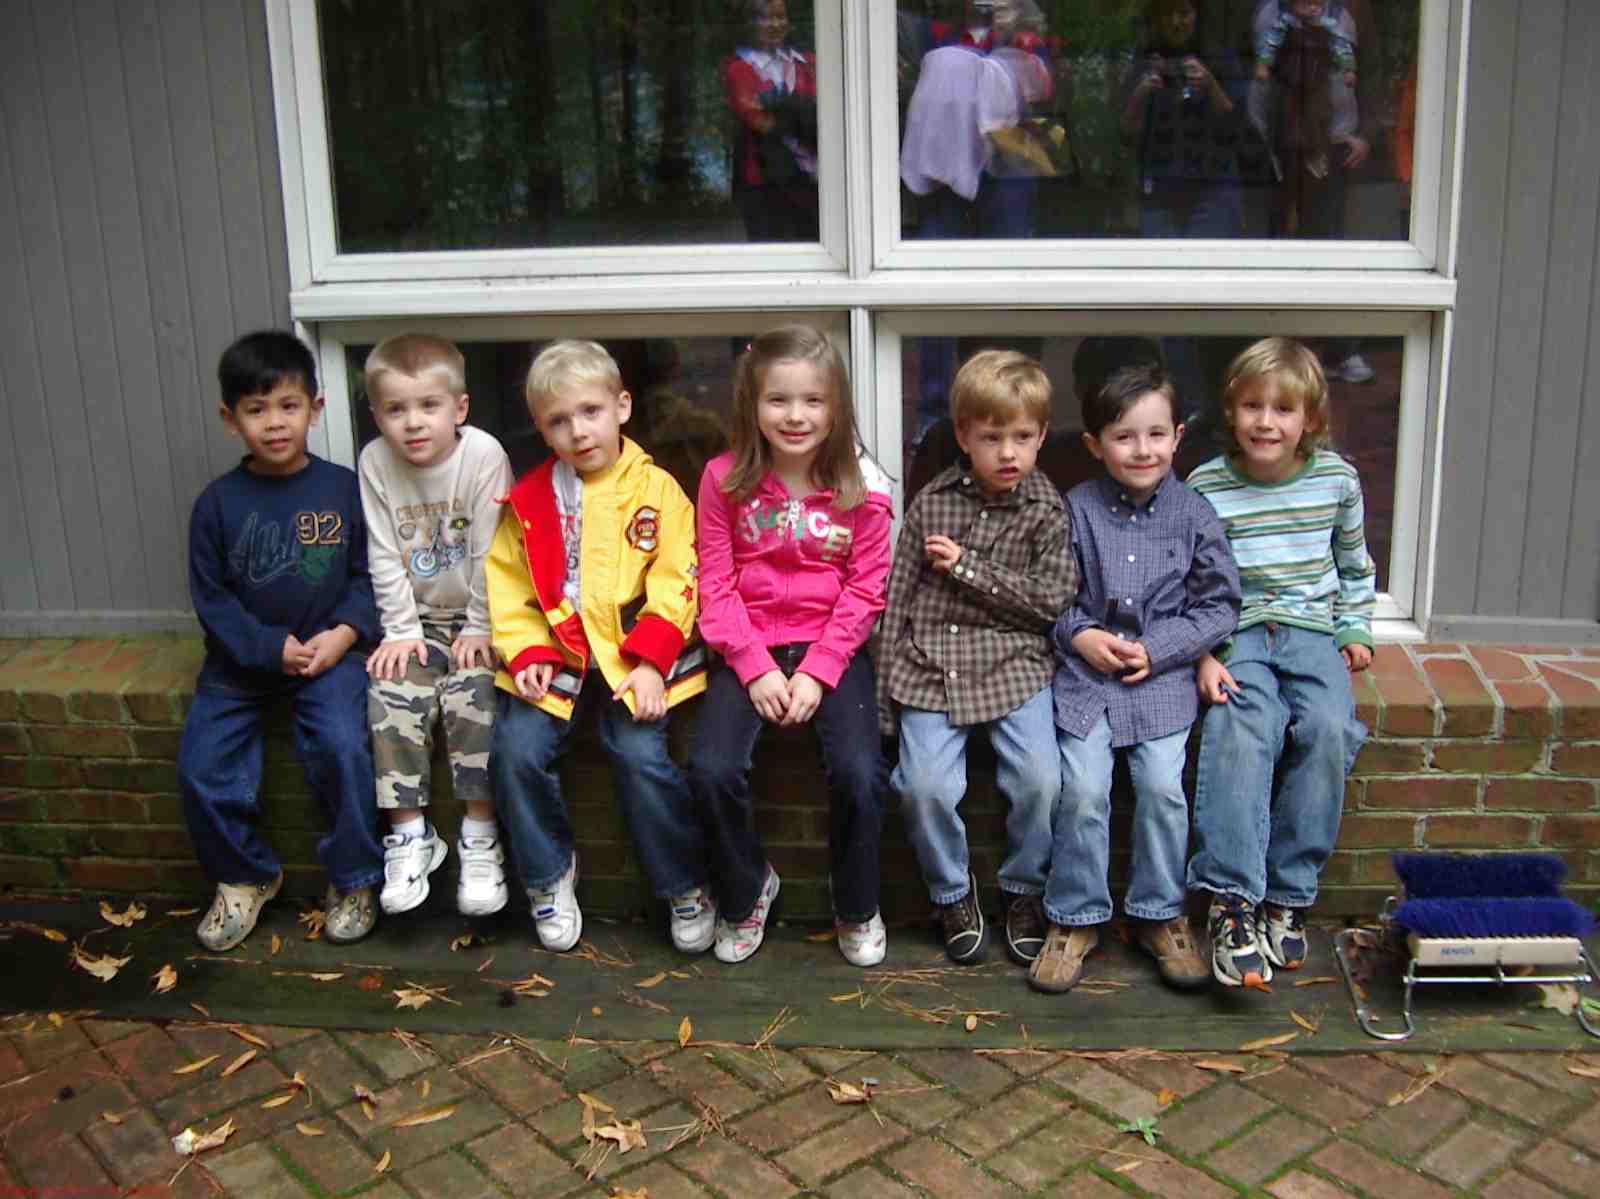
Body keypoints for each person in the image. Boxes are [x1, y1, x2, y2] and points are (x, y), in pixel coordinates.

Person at [485, 340, 712, 954]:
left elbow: (679, 577)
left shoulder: (657, 490)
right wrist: (526, 652)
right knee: (515, 751)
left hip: (632, 654)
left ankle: (684, 884)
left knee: (639, 755)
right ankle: (547, 874)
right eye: (558, 421)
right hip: (558, 651)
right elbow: (508, 584)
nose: (578, 431)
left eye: (590, 412)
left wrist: (652, 662)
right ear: (540, 429)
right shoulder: (531, 500)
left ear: (622, 407)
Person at [1029, 365, 1240, 994]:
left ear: (1177, 437)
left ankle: (1160, 914)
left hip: (1161, 682)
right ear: (1095, 444)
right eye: (1124, 437)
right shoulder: (1075, 511)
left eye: (1155, 434)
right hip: (1088, 682)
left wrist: (1162, 647)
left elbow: (1219, 605)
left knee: (1162, 788)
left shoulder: (1194, 514)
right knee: (1082, 790)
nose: (1142, 450)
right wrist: (1078, 634)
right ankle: (1075, 916)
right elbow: (1048, 594)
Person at [690, 326, 893, 966]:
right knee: (711, 768)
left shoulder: (863, 484)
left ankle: (856, 902)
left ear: (836, 408)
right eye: (778, 400)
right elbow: (715, 583)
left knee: (860, 771)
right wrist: (752, 666)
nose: (796, 415)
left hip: (832, 646)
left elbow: (866, 589)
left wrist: (819, 670)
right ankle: (746, 887)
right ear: (753, 405)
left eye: (813, 400)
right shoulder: (723, 479)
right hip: (747, 644)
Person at [178, 331, 382, 951]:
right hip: (241, 667)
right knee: (201, 766)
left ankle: (354, 878)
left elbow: (370, 574)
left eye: (288, 406)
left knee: (343, 746)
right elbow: (212, 599)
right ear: (230, 419)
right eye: (256, 409)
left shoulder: (344, 490)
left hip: (330, 658)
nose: (274, 423)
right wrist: (268, 648)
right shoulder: (217, 505)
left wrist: (344, 634)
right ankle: (245, 877)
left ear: (315, 408)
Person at [1185, 337, 1373, 988]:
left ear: (1310, 419)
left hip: (1309, 630)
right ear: (1230, 411)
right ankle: (1232, 899)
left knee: (1328, 727)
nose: (1266, 422)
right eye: (1252, 406)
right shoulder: (1206, 485)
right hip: (1235, 630)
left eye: (1283, 409)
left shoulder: (1336, 482)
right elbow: (1189, 582)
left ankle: (1287, 894)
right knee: (1242, 724)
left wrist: (1355, 625)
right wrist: (1202, 651)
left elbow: (1354, 565)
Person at [879, 349, 1076, 966]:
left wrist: (968, 568)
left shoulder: (1047, 511)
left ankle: (1024, 890)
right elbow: (897, 600)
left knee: (1041, 780)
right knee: (923, 786)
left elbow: (1049, 602)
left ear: (1042, 436)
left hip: (1014, 664)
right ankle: (951, 892)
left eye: (1023, 437)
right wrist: (885, 707)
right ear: (964, 436)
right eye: (992, 438)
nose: (1008, 453)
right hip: (932, 664)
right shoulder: (932, 504)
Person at [358, 335, 514, 919]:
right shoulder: (376, 462)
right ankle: (410, 834)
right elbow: (382, 552)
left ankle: (480, 836)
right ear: (377, 416)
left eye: (429, 406)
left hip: (480, 617)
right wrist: (400, 631)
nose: (413, 422)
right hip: (417, 620)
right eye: (396, 409)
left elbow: (494, 549)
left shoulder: (483, 456)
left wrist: (481, 625)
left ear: (460, 408)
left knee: (476, 696)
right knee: (391, 692)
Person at [723, 0, 819, 243]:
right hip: (763, 181)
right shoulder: (739, 68)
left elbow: (827, 113)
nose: (775, 24)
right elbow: (759, 121)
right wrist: (801, 112)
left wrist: (778, 106)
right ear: (751, 23)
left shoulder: (807, 62)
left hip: (812, 178)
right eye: (765, 17)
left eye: (780, 16)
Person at [1254, 0, 1356, 87]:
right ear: (1292, 5)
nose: (1313, 8)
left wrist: (1348, 69)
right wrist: (1263, 65)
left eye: (1317, 4)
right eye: (1306, 4)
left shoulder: (1330, 23)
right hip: (1286, 76)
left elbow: (1341, 45)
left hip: (1320, 76)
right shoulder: (1284, 21)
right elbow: (1270, 43)